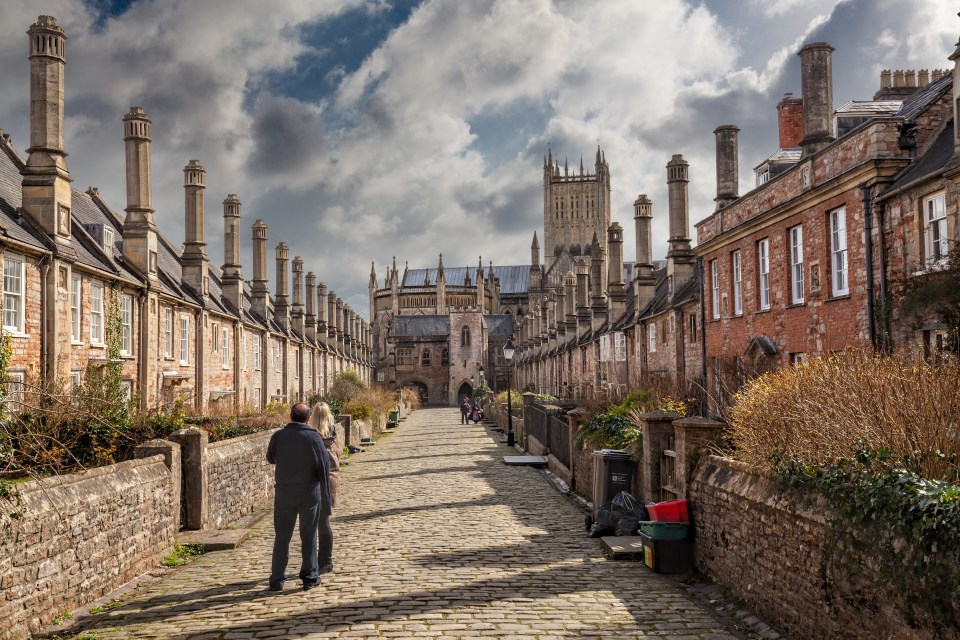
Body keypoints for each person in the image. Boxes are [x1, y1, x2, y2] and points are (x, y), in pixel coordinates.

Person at [266, 402, 331, 592]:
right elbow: (323, 467)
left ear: (291, 416)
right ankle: (310, 577)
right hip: (309, 492)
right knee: (309, 535)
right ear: (308, 418)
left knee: (282, 536)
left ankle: (277, 579)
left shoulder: (279, 436)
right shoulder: (313, 437)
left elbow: (271, 458)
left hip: (285, 492)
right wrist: (326, 498)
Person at [308, 402, 340, 575]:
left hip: (316, 482)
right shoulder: (334, 435)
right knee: (324, 522)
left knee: (313, 524)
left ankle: (321, 562)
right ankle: (325, 561)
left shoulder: (312, 437)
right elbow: (339, 455)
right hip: (332, 481)